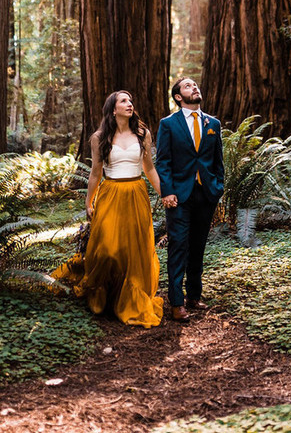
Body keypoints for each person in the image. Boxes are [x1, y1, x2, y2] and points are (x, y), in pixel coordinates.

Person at [52, 90, 163, 328]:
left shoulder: (143, 133)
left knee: (136, 248)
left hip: (136, 193)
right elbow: (95, 173)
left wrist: (165, 192)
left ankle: (130, 298)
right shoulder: (99, 137)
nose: (130, 104)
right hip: (110, 193)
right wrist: (88, 201)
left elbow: (150, 168)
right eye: (124, 101)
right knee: (107, 248)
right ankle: (103, 294)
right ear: (113, 109)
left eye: (131, 100)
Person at [155, 77, 224, 323]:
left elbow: (218, 161)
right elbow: (162, 162)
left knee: (198, 246)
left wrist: (218, 188)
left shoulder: (213, 123)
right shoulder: (168, 124)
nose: (194, 87)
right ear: (178, 97)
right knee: (178, 246)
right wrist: (167, 191)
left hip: (206, 195)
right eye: (187, 86)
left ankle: (194, 296)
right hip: (179, 196)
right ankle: (176, 302)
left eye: (195, 85)